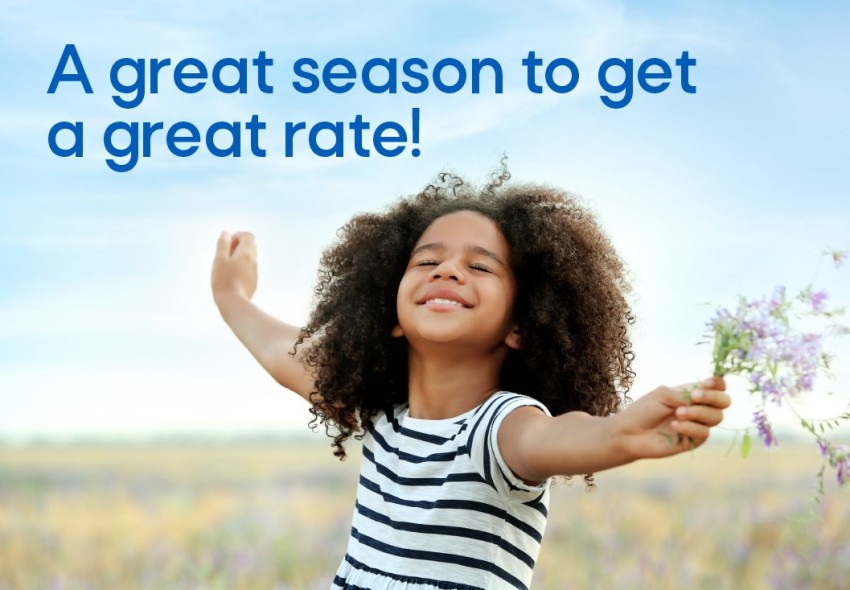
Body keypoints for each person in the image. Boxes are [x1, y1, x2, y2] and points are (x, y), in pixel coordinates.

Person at [210, 170, 730, 590]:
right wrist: (233, 298)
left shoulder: (497, 430)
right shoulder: (383, 416)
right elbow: (287, 355)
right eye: (428, 260)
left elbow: (553, 438)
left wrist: (619, 435)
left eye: (481, 267)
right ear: (388, 314)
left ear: (523, 326)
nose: (448, 270)